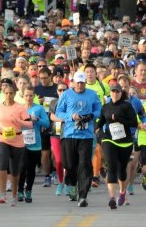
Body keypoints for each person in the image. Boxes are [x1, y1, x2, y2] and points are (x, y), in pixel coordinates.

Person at [56, 72, 102, 207]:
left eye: (82, 82)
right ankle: (71, 183)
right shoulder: (66, 94)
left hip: (86, 136)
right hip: (70, 134)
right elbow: (59, 112)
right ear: (73, 83)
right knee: (69, 165)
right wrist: (72, 116)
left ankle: (83, 195)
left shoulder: (92, 94)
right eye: (78, 82)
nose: (80, 85)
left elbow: (99, 109)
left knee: (85, 165)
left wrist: (91, 115)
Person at [0, 80, 32, 206]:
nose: (9, 96)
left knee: (15, 171)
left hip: (17, 140)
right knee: (2, 165)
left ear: (14, 94)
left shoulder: (20, 107)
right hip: (2, 138)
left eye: (11, 93)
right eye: (6, 93)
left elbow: (30, 124)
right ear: (3, 94)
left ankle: (14, 195)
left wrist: (19, 121)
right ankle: (3, 194)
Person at [99, 85, 138, 209]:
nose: (115, 94)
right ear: (110, 93)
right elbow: (100, 122)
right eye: (113, 91)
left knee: (122, 170)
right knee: (111, 167)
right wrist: (97, 131)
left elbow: (134, 123)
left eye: (117, 92)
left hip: (125, 142)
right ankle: (111, 198)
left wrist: (120, 119)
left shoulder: (127, 106)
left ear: (121, 93)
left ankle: (122, 192)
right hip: (109, 139)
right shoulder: (105, 107)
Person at [17, 87, 49, 203]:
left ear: (34, 96)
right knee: (22, 166)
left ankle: (28, 190)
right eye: (26, 96)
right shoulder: (19, 108)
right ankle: (20, 190)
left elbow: (47, 123)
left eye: (31, 96)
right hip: (21, 142)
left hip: (35, 143)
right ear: (23, 96)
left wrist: (36, 119)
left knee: (31, 168)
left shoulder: (39, 108)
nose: (28, 98)